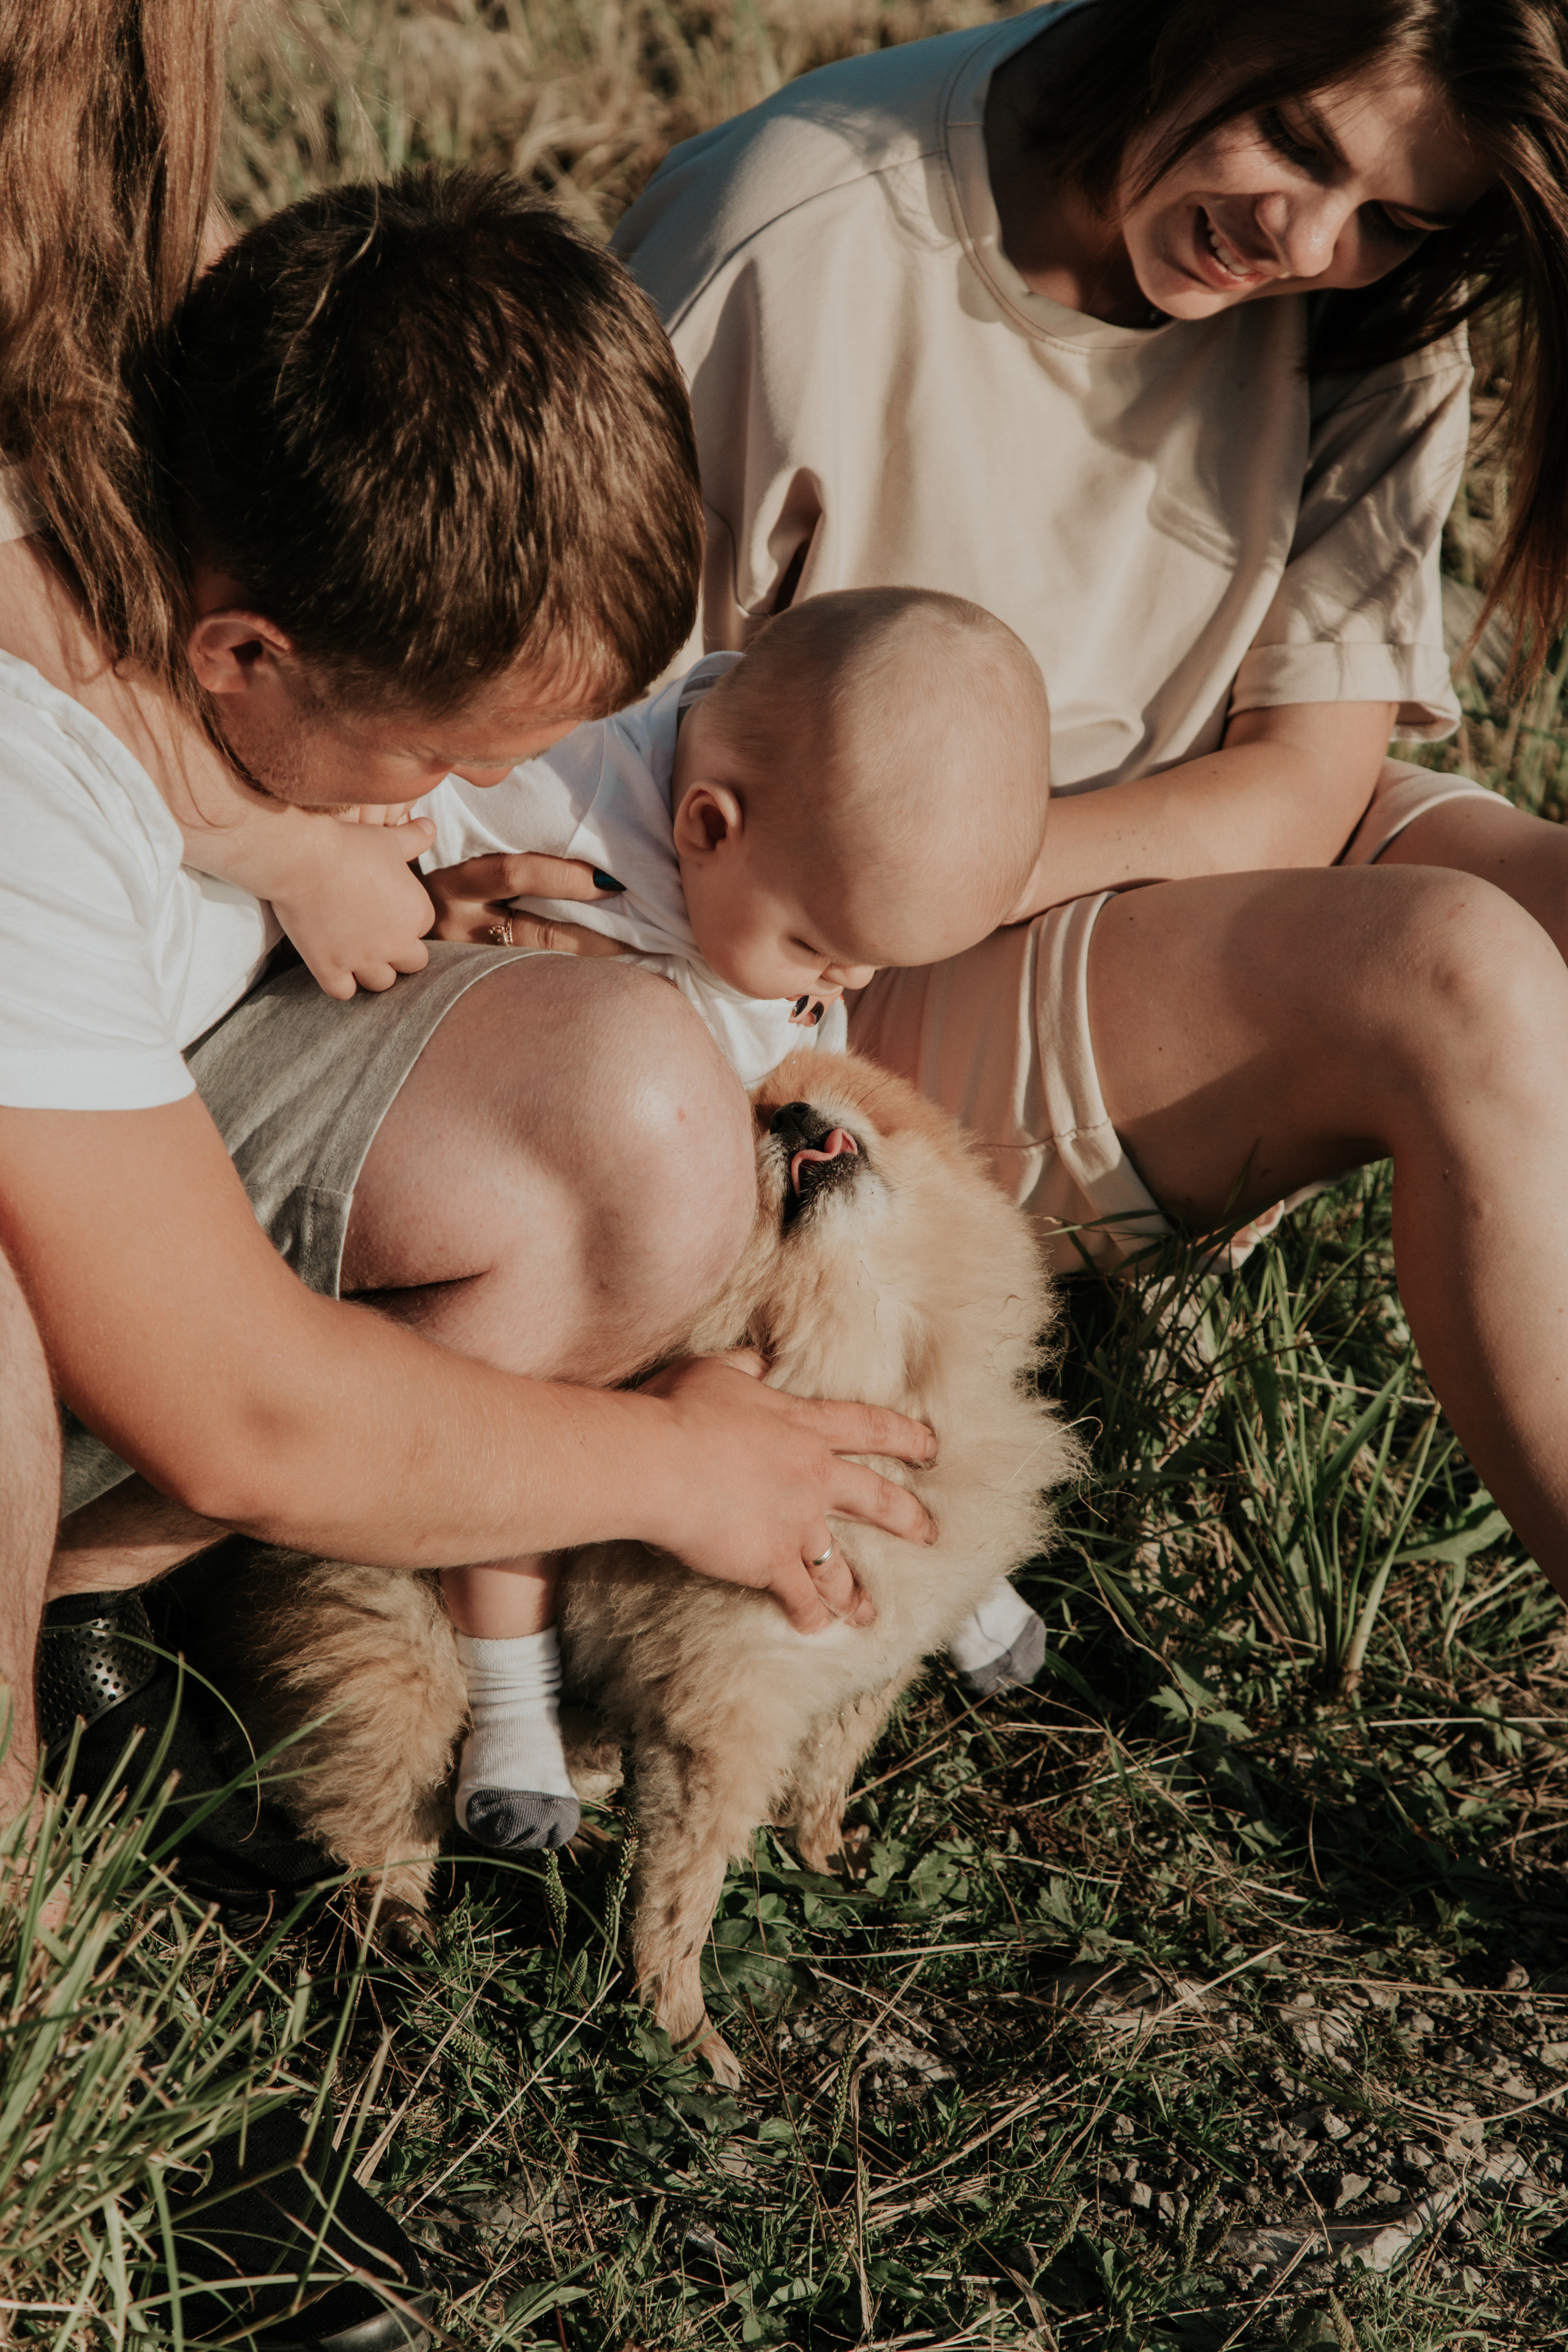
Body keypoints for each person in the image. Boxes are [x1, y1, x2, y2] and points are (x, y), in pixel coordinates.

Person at [0, 10, 933, 2336]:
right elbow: (237, 1398)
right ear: (243, 648)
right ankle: (38, 1985)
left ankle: (85, 1608)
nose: (458, 812)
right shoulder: (27, 799)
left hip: (155, 1088)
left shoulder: (196, 473)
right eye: (446, 761)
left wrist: (323, 829)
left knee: (625, 1122)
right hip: (93, 1265)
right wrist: (672, 1467)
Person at [608, 0, 1568, 1604]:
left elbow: (1305, 777)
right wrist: (913, 867)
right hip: (840, 968)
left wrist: (994, 853)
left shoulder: (1373, 301)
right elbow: (568, 744)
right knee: (1460, 976)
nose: (1313, 241)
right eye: (1301, 144)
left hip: (1193, 818)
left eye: (1396, 217)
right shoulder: (805, 235)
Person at [409, 585, 1053, 1844]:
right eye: (821, 951)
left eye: (867, 966)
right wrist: (416, 907)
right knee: (549, 1377)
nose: (842, 984)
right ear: (705, 824)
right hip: (559, 1186)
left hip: (719, 1172)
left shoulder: (786, 822)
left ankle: (929, 1561)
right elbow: (414, 842)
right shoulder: (553, 796)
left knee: (842, 1312)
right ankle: (510, 1701)